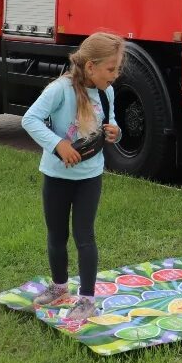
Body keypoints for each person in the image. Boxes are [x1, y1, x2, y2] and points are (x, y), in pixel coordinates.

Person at [21, 32, 124, 322]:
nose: (115, 76)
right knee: (56, 234)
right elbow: (30, 119)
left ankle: (87, 300)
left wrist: (115, 132)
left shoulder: (107, 92)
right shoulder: (60, 89)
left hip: (90, 177)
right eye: (110, 69)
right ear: (91, 67)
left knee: (84, 236)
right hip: (56, 176)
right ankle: (60, 286)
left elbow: (110, 121)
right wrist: (59, 144)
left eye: (117, 69)